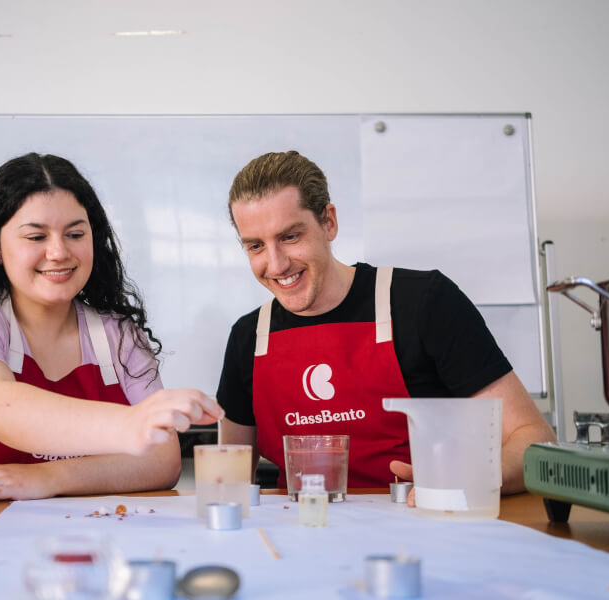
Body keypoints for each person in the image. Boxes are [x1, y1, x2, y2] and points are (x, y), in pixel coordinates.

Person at [216, 150, 555, 501]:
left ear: (328, 222)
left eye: (290, 237)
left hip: (426, 531)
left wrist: (468, 479)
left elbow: (534, 438)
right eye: (256, 246)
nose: (276, 264)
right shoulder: (249, 338)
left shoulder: (424, 304)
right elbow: (226, 481)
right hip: (301, 535)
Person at [0, 153, 222, 502]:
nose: (59, 252)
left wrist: (49, 477)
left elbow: (162, 461)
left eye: (75, 233)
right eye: (36, 237)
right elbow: (2, 410)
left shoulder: (119, 336)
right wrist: (132, 425)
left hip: (88, 539)